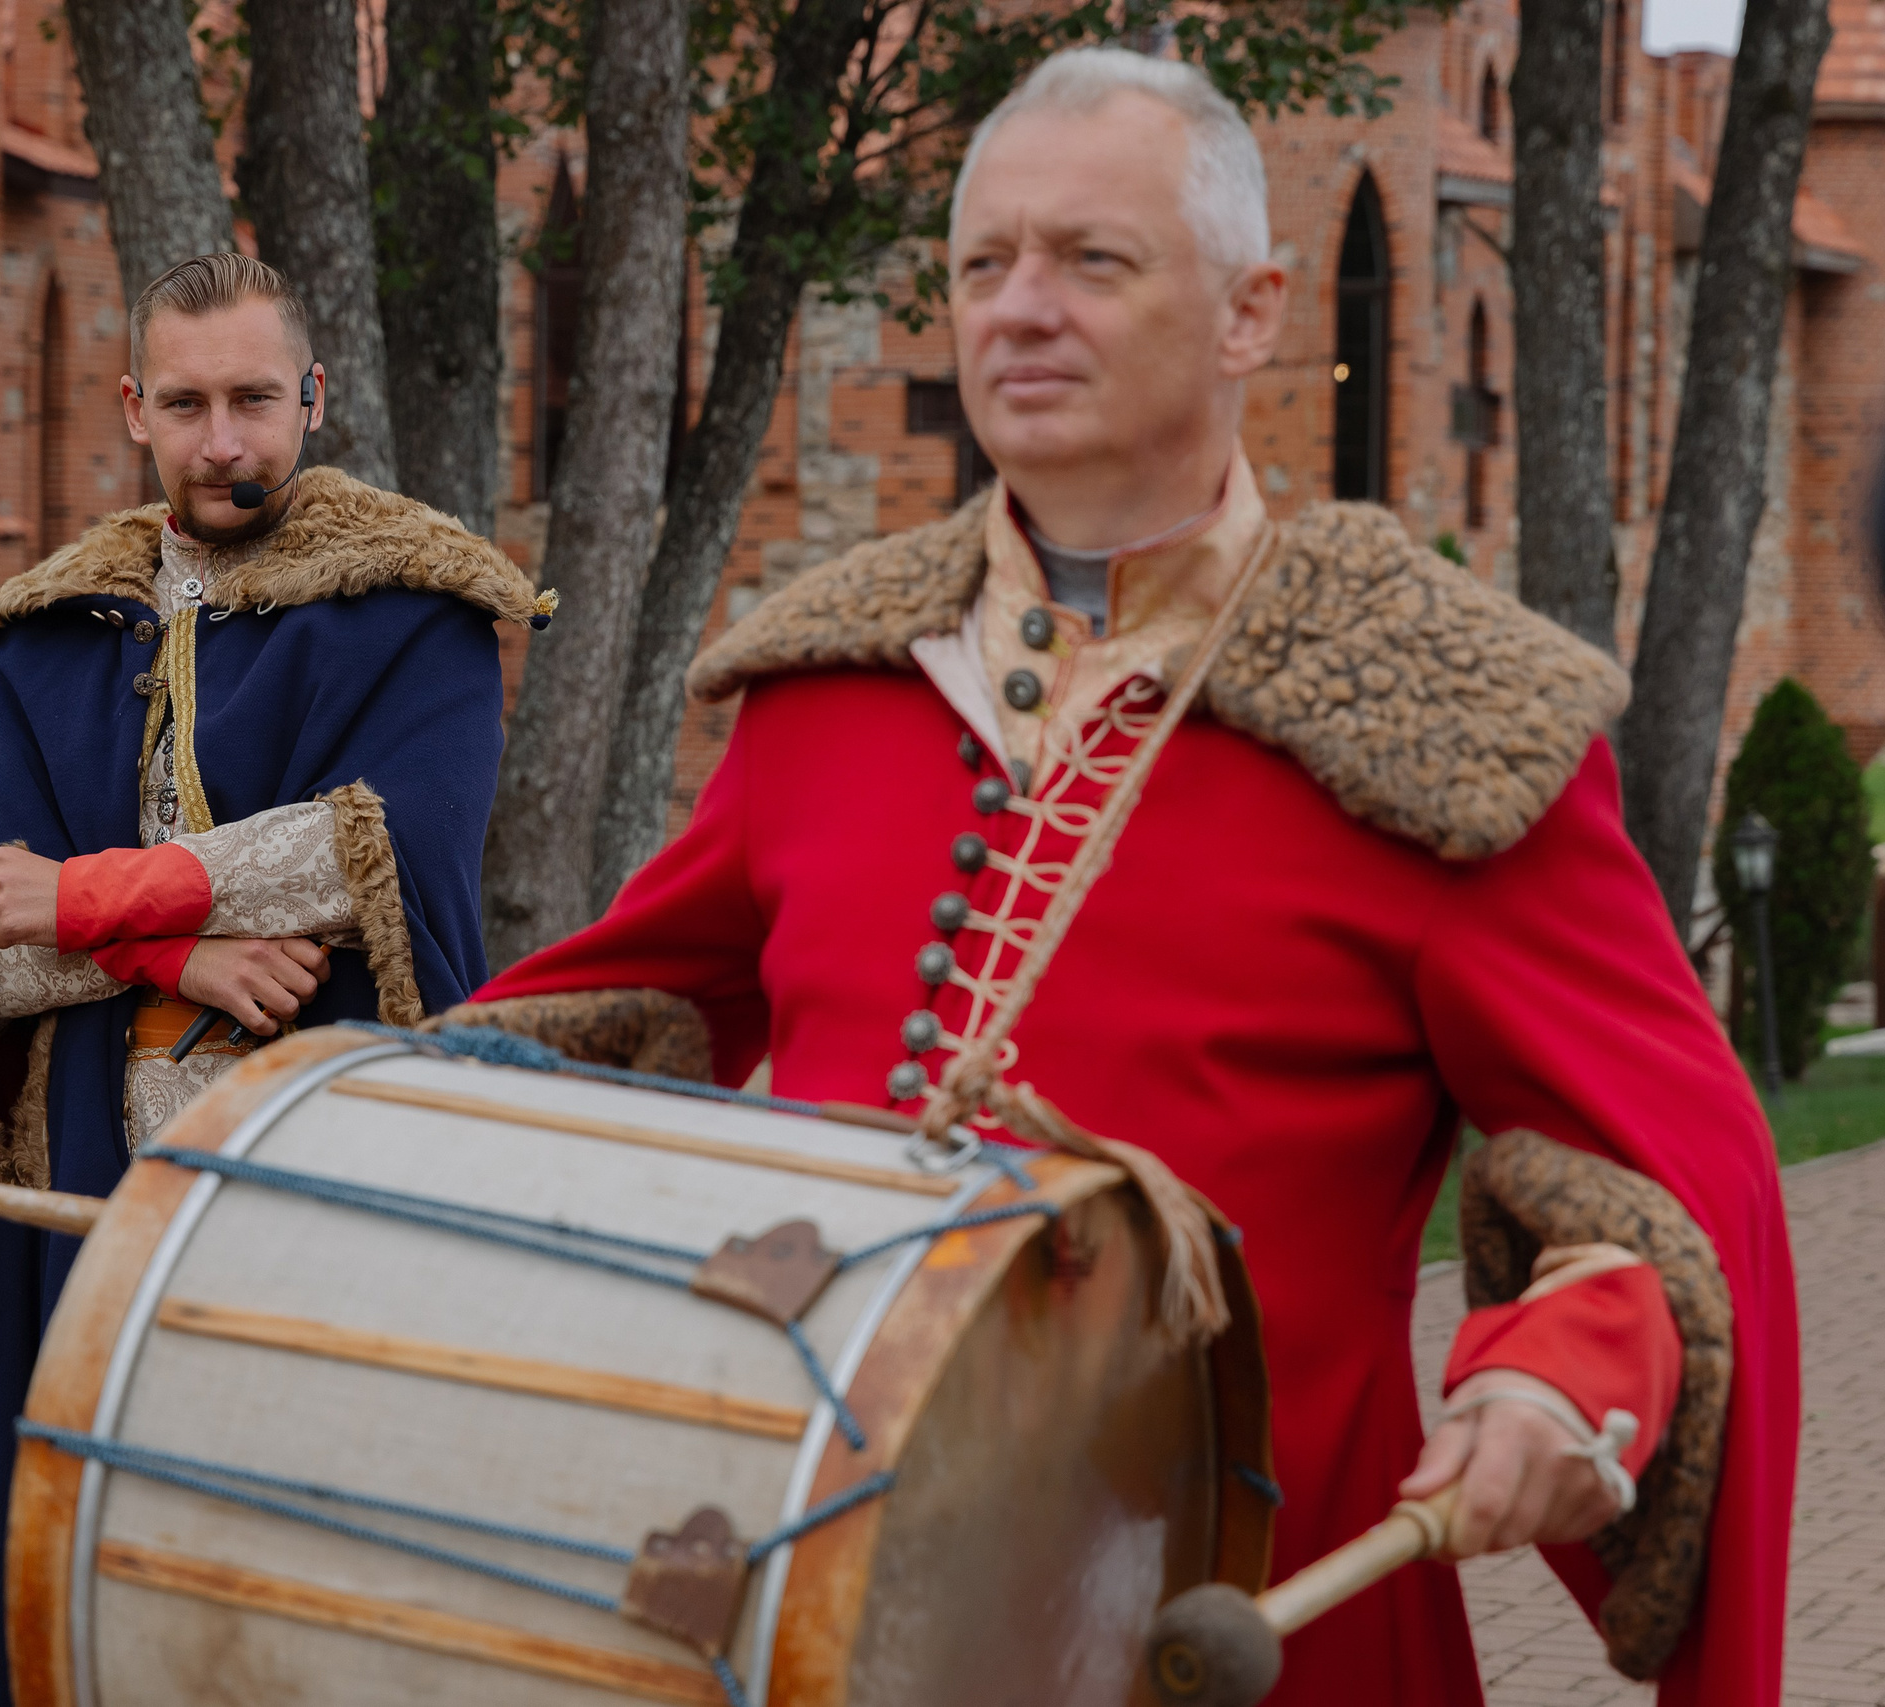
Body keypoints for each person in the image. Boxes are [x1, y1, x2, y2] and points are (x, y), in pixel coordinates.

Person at [450, 49, 1793, 1707]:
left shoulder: (1448, 724)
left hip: (1256, 1632)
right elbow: (597, 1013)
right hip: (840, 1611)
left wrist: (1555, 1377)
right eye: (984, 264)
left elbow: (1664, 1188)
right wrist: (336, 1104)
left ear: (1251, 311)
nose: (1022, 310)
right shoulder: (830, 682)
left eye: (1094, 261)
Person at [0, 252, 547, 1705]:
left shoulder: (419, 607)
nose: (223, 439)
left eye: (252, 397)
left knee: (305, 1561)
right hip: (96, 1184)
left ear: (312, 394)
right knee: (104, 1555)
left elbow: (378, 853)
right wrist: (177, 951)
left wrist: (94, 895)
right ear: (135, 409)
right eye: (186, 403)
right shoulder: (49, 639)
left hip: (324, 1171)